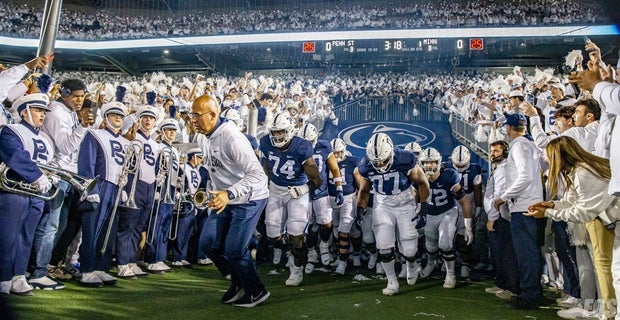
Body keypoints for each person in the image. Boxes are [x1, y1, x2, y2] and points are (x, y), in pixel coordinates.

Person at [191, 95, 271, 308]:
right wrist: (208, 192)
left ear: (213, 115)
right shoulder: (202, 137)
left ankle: (256, 291)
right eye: (192, 115)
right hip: (225, 197)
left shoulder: (232, 138)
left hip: (249, 197)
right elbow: (214, 170)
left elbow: (258, 176)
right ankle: (238, 281)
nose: (193, 120)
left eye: (197, 115)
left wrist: (229, 194)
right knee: (208, 243)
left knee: (234, 249)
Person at [526, 136, 618, 319]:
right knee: (606, 267)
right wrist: (551, 205)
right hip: (608, 218)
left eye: (549, 157)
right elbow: (571, 201)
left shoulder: (584, 172)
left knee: (610, 268)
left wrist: (547, 213)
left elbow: (582, 212)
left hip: (612, 219)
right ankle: (606, 311)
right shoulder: (577, 170)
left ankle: (609, 312)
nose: (547, 162)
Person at [355, 132, 431, 296]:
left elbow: (423, 182)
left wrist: (423, 208)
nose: (380, 164)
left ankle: (411, 264)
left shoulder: (405, 158)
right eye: (376, 161)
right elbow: (364, 189)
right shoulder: (366, 165)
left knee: (410, 248)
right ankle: (392, 281)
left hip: (404, 201)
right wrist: (360, 210)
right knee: (383, 244)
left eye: (383, 159)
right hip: (382, 203)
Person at [32, 78, 90, 287]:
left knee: (60, 224)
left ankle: (44, 266)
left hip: (66, 174)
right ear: (64, 93)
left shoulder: (69, 112)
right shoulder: (56, 112)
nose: (80, 100)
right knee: (50, 225)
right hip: (55, 174)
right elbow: (66, 147)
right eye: (75, 96)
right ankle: (38, 270)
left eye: (82, 96)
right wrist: (83, 126)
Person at [259, 111, 322, 287]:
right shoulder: (265, 142)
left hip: (297, 191)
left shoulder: (301, 147)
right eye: (275, 132)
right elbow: (266, 165)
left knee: (296, 233)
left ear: (290, 130)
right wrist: (268, 181)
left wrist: (302, 189)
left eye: (281, 132)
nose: (277, 136)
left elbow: (317, 180)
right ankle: (292, 251)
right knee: (273, 234)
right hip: (276, 189)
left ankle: (296, 270)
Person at [0, 93, 54, 296]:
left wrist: (51, 176)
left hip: (36, 194)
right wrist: (38, 176)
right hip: (14, 191)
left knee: (26, 236)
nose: (42, 115)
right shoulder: (11, 130)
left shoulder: (45, 139)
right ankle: (3, 277)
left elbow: (49, 162)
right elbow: (15, 155)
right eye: (38, 110)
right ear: (24, 112)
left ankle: (18, 276)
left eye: (43, 111)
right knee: (7, 235)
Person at [493, 113, 544, 310]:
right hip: (530, 203)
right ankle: (530, 292)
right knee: (529, 253)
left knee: (526, 254)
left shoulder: (519, 145)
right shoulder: (529, 144)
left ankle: (530, 295)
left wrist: (503, 196)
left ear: (508, 128)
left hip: (524, 206)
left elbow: (525, 177)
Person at [76, 100, 129, 287]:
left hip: (116, 187)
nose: (118, 118)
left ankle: (102, 267)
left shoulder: (125, 142)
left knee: (109, 229)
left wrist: (125, 190)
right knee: (93, 228)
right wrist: (91, 188)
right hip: (100, 185)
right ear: (105, 118)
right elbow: (86, 163)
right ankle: (87, 269)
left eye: (121, 116)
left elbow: (126, 169)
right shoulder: (94, 134)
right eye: (114, 115)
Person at [417, 147, 473, 289]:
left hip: (447, 212)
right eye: (426, 162)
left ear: (439, 162)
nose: (429, 166)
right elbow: (414, 197)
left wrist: (468, 226)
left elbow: (464, 201)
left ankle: (451, 274)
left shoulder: (449, 175)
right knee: (430, 244)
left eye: (433, 162)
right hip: (430, 213)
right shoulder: (418, 176)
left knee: (445, 244)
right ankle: (431, 263)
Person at [116, 105, 161, 279]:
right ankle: (121, 263)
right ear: (139, 120)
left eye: (151, 118)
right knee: (127, 226)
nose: (148, 120)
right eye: (145, 117)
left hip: (149, 187)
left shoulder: (156, 145)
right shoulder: (132, 139)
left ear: (155, 122)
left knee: (139, 227)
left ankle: (131, 261)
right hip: (135, 185)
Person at [298, 123, 343, 272]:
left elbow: (334, 168)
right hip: (303, 193)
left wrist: (339, 188)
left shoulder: (324, 147)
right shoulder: (296, 147)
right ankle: (311, 254)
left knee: (326, 223)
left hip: (321, 192)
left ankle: (324, 247)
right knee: (308, 226)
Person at [144, 119, 179, 274]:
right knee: (156, 225)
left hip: (170, 190)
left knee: (165, 226)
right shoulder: (158, 147)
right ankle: (152, 259)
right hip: (161, 188)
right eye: (168, 129)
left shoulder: (175, 150)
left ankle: (160, 258)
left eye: (174, 130)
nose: (171, 132)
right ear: (162, 131)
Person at [328, 138, 359, 275]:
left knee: (345, 229)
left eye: (338, 153)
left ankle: (343, 261)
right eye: (333, 153)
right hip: (331, 198)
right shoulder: (326, 160)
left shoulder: (353, 162)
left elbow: (360, 181)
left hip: (348, 198)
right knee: (335, 230)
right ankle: (343, 254)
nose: (336, 156)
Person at [170, 145, 202, 268]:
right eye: (199, 157)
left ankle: (182, 256)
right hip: (184, 200)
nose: (200, 160)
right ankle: (176, 257)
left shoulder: (197, 172)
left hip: (193, 201)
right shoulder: (183, 168)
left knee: (188, 231)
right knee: (181, 230)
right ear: (193, 157)